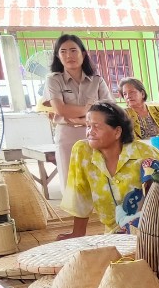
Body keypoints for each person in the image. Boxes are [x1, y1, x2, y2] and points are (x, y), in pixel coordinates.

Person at [60, 101, 159, 237]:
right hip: (112, 236)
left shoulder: (143, 153)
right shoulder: (83, 151)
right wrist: (77, 234)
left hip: (152, 232)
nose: (90, 132)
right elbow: (79, 194)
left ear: (117, 132)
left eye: (96, 127)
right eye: (88, 126)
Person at [45, 34, 111, 190]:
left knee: (99, 183)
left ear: (83, 53)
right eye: (63, 51)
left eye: (74, 50)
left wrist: (82, 120)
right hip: (67, 137)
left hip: (97, 136)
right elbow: (60, 109)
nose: (69, 55)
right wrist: (88, 109)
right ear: (57, 56)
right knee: (71, 186)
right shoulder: (53, 80)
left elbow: (109, 111)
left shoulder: (97, 80)